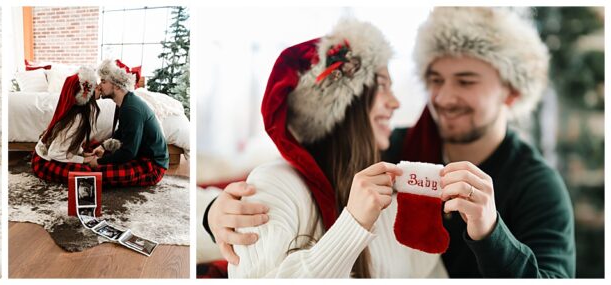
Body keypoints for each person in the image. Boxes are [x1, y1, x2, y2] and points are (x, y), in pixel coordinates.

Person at [206, 7, 575, 278]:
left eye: (465, 81)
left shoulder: (537, 186)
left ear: (512, 92)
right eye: (434, 79)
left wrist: (492, 231)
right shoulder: (391, 155)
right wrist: (213, 214)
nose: (443, 97)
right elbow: (313, 166)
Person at [226, 18, 441, 278]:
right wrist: (353, 225)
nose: (395, 103)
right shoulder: (274, 185)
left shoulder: (393, 200)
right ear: (344, 105)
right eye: (382, 85)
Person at [82, 59, 170, 187]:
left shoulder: (131, 109)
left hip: (153, 166)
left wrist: (99, 162)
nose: (99, 86)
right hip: (141, 155)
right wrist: (103, 147)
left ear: (117, 85)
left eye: (103, 81)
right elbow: (122, 131)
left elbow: (129, 152)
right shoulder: (126, 102)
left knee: (94, 173)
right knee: (93, 156)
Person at [31, 66, 103, 182]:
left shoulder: (81, 113)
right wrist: (83, 160)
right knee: (88, 174)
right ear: (87, 94)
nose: (100, 87)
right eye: (96, 86)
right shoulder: (77, 118)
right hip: (44, 162)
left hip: (52, 155)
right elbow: (54, 153)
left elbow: (71, 141)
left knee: (90, 168)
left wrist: (83, 154)